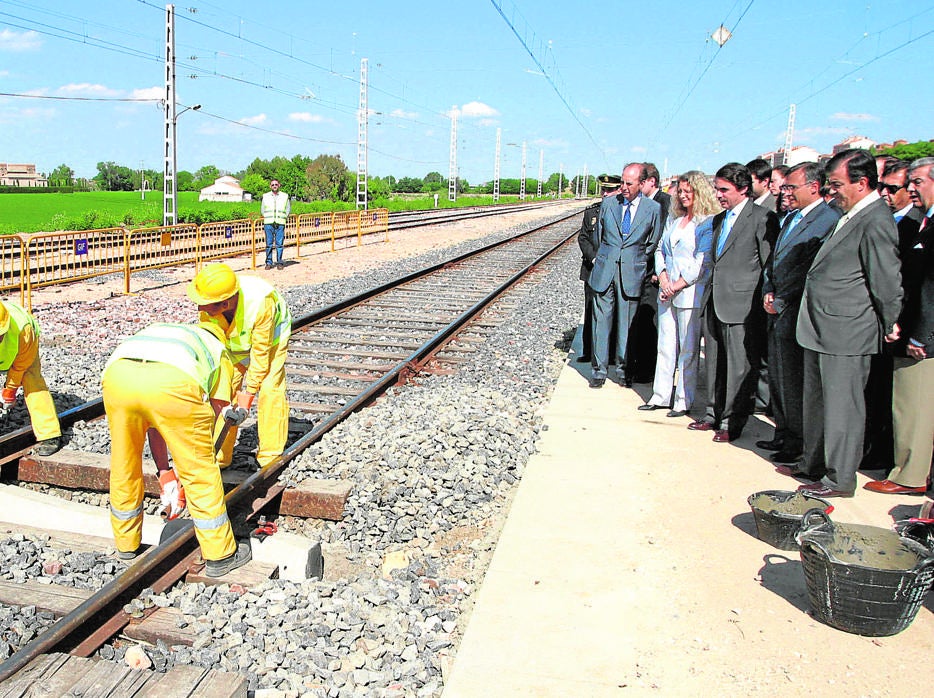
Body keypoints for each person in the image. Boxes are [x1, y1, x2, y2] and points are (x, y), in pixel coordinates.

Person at [102, 321, 251, 577]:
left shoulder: (170, 335)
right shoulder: (217, 349)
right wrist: (234, 414)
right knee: (200, 471)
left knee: (124, 464)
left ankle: (126, 544)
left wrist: (165, 472)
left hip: (118, 377)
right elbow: (218, 409)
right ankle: (220, 555)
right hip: (173, 383)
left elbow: (153, 421)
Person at [795, 149, 902, 498]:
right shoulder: (850, 213)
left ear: (862, 182)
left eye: (838, 184)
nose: (832, 190)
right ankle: (812, 464)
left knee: (843, 409)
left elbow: (886, 280)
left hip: (847, 331)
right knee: (817, 403)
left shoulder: (876, 219)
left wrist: (891, 322)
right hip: (820, 327)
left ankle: (839, 479)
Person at [688, 162, 777, 443]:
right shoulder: (719, 219)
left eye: (724, 190)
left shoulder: (762, 218)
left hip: (742, 306)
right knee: (714, 363)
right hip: (714, 301)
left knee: (739, 367)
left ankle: (732, 421)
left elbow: (768, 264)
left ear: (743, 188)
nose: (718, 195)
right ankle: (713, 413)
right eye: (716, 189)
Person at [759, 163, 839, 466]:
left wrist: (781, 297)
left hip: (795, 310)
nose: (784, 193)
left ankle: (797, 441)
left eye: (791, 187)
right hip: (776, 306)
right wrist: (769, 288)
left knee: (793, 380)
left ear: (814, 187)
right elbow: (775, 262)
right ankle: (784, 432)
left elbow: (806, 267)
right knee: (780, 377)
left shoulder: (827, 220)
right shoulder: (791, 218)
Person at [865, 157, 934, 495]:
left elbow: (931, 288)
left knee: (914, 407)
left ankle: (909, 477)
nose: (910, 189)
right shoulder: (923, 223)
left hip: (922, 336)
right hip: (910, 327)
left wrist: (922, 333)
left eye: (917, 182)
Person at [187, 263, 292, 469]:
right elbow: (213, 349)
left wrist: (248, 396)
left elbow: (260, 355)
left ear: (224, 303)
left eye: (204, 304)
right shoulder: (210, 306)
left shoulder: (261, 303)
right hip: (233, 346)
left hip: (270, 341)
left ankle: (270, 455)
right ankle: (218, 455)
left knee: (270, 389)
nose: (200, 308)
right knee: (222, 392)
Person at [639, 171, 719, 417]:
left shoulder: (707, 222)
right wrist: (663, 278)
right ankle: (660, 395)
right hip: (667, 291)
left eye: (688, 192)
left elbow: (702, 262)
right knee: (665, 346)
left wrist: (677, 284)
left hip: (690, 292)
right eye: (681, 191)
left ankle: (683, 400)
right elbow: (661, 249)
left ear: (699, 193)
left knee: (688, 349)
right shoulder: (675, 219)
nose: (683, 196)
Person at [587, 163, 662, 388]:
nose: (624, 187)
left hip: (631, 273)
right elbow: (599, 237)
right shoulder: (609, 204)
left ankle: (623, 369)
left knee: (626, 325)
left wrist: (634, 259)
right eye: (622, 182)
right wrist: (607, 257)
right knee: (601, 322)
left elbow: (652, 242)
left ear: (642, 183)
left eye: (629, 183)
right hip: (605, 270)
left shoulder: (653, 209)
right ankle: (598, 371)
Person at [0, 300, 62, 456]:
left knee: (33, 381)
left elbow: (20, 367)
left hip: (24, 349)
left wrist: (9, 392)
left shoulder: (23, 330)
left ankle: (50, 434)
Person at [577, 174, 621, 363]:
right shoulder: (591, 213)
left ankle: (610, 354)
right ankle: (589, 350)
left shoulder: (622, 212)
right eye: (604, 190)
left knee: (613, 312)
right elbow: (583, 238)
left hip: (614, 270)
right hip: (592, 269)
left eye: (610, 190)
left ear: (619, 190)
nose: (605, 193)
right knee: (590, 310)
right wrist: (594, 258)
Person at [261, 179, 290, 270]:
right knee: (269, 244)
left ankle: (279, 262)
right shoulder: (265, 196)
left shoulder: (285, 196)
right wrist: (266, 216)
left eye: (276, 184)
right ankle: (269, 263)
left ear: (279, 185)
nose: (274, 186)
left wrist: (284, 217)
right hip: (268, 223)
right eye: (273, 184)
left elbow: (288, 208)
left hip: (280, 223)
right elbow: (262, 209)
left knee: (279, 244)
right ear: (270, 186)